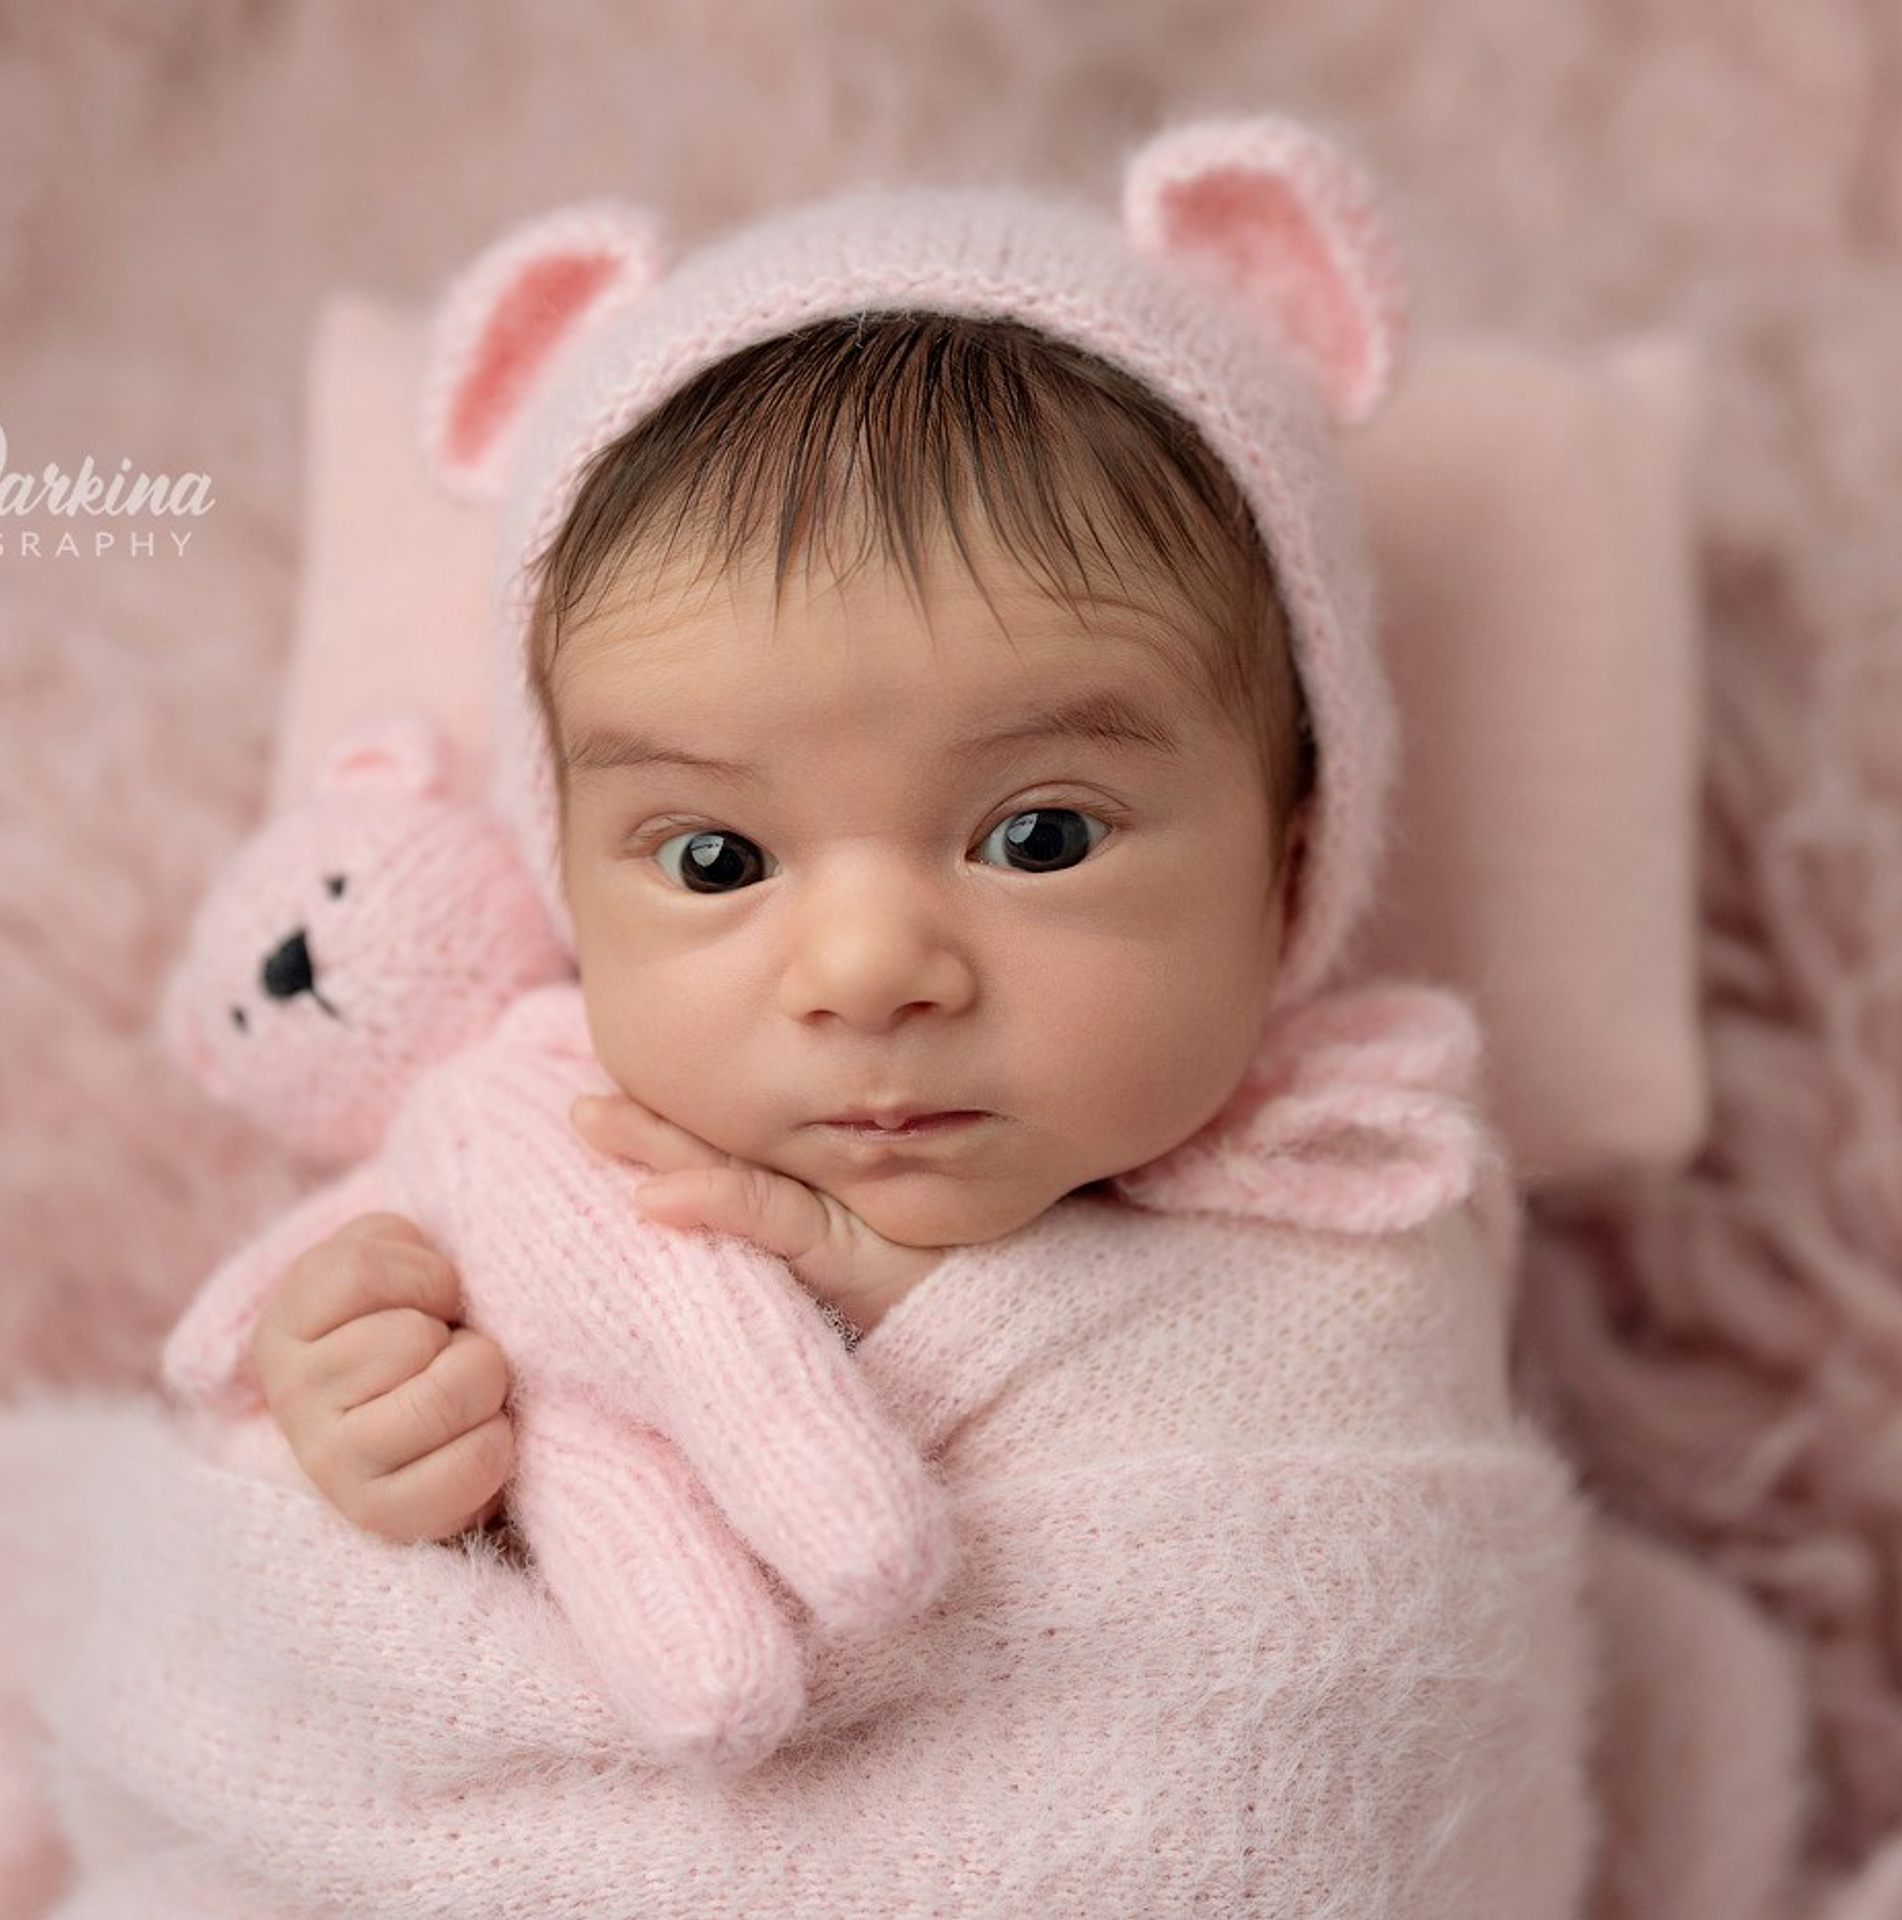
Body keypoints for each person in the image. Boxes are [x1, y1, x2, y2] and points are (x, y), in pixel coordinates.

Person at [35, 120, 1601, 1914]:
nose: (867, 971)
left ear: (1291, 862)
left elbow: (1350, 1666)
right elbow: (304, 1621)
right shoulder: (533, 1150)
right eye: (713, 858)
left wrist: (891, 1286)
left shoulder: (1350, 1206)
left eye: (1040, 836)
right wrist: (376, 1430)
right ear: (563, 877)